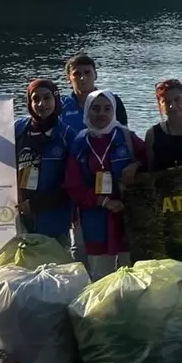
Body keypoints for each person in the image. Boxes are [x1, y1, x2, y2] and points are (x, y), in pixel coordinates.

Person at [64, 90, 146, 280]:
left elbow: (150, 162)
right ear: (87, 111)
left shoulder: (126, 138)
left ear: (114, 111)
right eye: (96, 108)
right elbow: (73, 185)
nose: (101, 113)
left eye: (107, 108)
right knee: (101, 276)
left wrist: (136, 165)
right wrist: (103, 201)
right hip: (95, 218)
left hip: (126, 217)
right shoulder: (79, 142)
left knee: (131, 275)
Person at [14, 78, 73, 239]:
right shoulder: (17, 129)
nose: (41, 104)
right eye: (36, 99)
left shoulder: (68, 135)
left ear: (56, 99)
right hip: (20, 218)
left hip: (55, 220)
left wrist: (35, 205)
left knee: (57, 264)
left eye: (47, 98)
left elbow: (72, 184)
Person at [60, 53, 128, 131]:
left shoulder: (112, 101)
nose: (83, 78)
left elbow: (125, 134)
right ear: (68, 79)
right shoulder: (61, 105)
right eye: (77, 74)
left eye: (87, 72)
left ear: (95, 75)